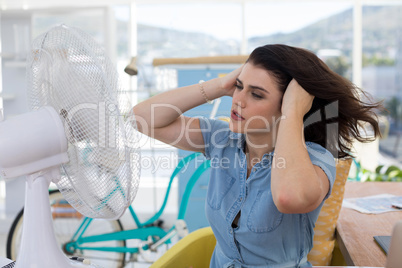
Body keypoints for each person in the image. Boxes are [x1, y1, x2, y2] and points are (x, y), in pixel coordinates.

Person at [132, 44, 382, 267]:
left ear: (288, 105)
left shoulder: (316, 159)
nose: (238, 100)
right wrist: (219, 86)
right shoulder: (223, 139)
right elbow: (141, 118)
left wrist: (293, 112)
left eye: (256, 94)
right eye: (239, 86)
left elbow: (288, 197)